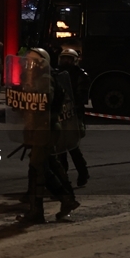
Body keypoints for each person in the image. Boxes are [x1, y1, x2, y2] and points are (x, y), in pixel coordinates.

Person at [13, 48, 80, 224]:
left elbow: (43, 102)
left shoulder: (44, 79)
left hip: (44, 127)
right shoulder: (36, 78)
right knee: (48, 164)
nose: (28, 65)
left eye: (32, 61)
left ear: (41, 63)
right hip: (40, 127)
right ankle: (67, 199)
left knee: (36, 167)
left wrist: (28, 94)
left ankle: (37, 211)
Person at [56, 48, 90, 187]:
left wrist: (72, 105)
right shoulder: (57, 73)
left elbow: (81, 96)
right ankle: (63, 178)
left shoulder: (80, 75)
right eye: (64, 58)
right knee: (60, 149)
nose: (65, 61)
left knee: (72, 147)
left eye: (68, 58)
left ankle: (83, 173)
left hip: (73, 115)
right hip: (60, 113)